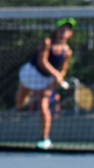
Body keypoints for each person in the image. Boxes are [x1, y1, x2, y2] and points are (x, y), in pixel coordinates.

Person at [15, 18, 75, 150]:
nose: (64, 31)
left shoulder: (67, 51)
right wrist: (56, 75)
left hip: (46, 80)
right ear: (56, 30)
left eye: (67, 29)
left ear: (70, 34)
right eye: (61, 28)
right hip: (31, 74)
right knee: (19, 103)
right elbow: (42, 62)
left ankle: (44, 138)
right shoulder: (47, 42)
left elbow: (63, 70)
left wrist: (52, 84)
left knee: (43, 107)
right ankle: (30, 97)